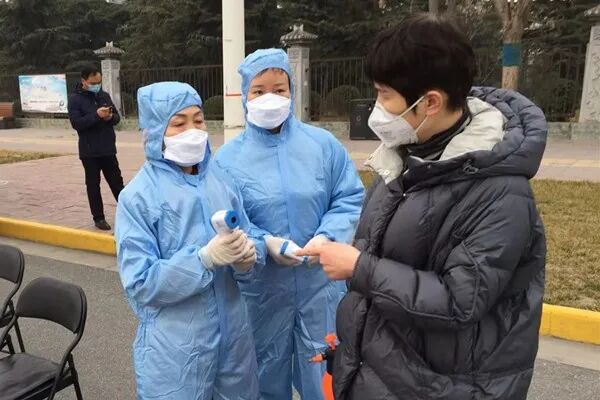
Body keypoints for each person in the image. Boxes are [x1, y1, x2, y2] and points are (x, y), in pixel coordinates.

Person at [299, 14, 547, 400]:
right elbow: (390, 256)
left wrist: (358, 266)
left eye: (384, 95)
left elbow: (459, 301)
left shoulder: (499, 193)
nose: (376, 108)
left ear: (430, 102)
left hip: (443, 386)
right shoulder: (407, 157)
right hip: (386, 376)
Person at [214, 49, 364, 400]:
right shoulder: (228, 160)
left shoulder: (322, 145)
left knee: (326, 375)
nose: (270, 97)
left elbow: (348, 197)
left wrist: (327, 236)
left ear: (292, 91)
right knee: (264, 376)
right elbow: (227, 219)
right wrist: (265, 243)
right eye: (259, 90)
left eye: (279, 89)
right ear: (245, 95)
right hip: (262, 292)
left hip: (320, 288)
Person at [115, 82, 263, 400]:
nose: (192, 131)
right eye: (179, 123)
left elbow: (247, 236)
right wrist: (202, 260)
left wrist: (247, 259)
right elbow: (140, 282)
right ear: (155, 131)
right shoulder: (138, 197)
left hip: (235, 338)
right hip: (177, 350)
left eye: (198, 120)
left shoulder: (221, 180)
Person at [68, 64, 124, 231]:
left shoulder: (103, 95)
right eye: (93, 83)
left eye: (99, 82)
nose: (96, 85)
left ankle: (129, 212)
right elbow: (77, 123)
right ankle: (98, 218)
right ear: (84, 81)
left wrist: (110, 117)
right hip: (89, 151)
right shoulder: (75, 99)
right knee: (93, 185)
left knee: (117, 183)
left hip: (108, 148)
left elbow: (117, 118)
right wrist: (96, 115)